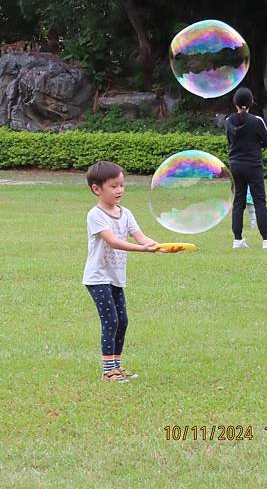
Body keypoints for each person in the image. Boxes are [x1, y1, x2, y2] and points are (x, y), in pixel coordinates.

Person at [83, 161, 159, 382]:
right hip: (97, 278)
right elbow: (114, 241)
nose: (119, 191)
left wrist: (158, 246)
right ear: (97, 189)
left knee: (122, 320)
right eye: (114, 186)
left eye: (122, 185)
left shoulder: (125, 213)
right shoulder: (95, 215)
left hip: (116, 277)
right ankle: (109, 371)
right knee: (111, 321)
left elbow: (140, 236)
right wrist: (142, 249)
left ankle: (117, 365)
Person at [225, 87, 267, 249]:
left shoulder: (228, 121)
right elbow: (266, 141)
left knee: (238, 200)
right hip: (253, 165)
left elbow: (229, 140)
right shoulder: (257, 121)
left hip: (235, 165)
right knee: (259, 201)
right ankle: (266, 240)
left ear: (235, 103)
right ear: (250, 103)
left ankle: (237, 240)